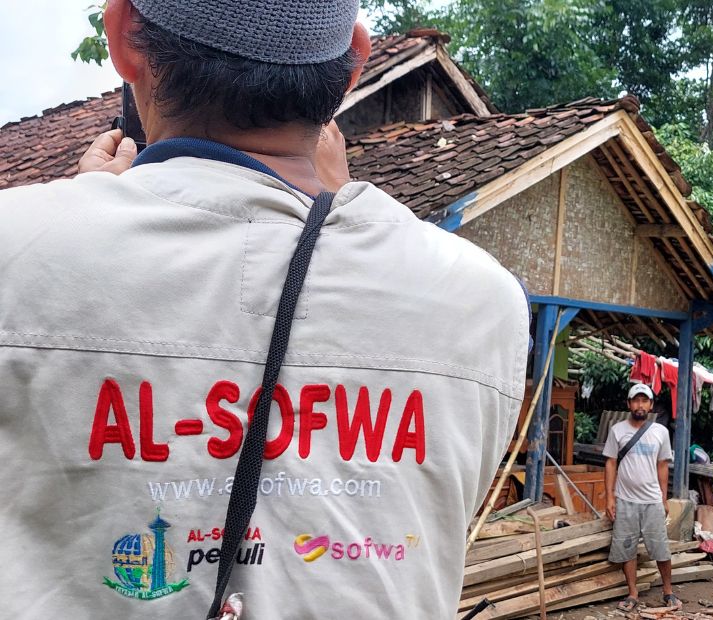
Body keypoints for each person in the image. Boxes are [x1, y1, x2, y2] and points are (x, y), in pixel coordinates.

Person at [0, 1, 528, 618]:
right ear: (354, 62)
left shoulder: (18, 251)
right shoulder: (480, 302)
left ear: (121, 35)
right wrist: (323, 212)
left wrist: (75, 214)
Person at [604, 384, 680, 612]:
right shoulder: (617, 430)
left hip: (652, 501)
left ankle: (668, 592)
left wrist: (664, 498)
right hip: (625, 500)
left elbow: (663, 466)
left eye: (644, 401)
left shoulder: (661, 432)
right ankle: (632, 593)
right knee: (627, 548)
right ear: (629, 404)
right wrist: (610, 497)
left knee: (660, 548)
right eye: (635, 401)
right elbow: (610, 463)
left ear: (651, 405)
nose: (640, 405)